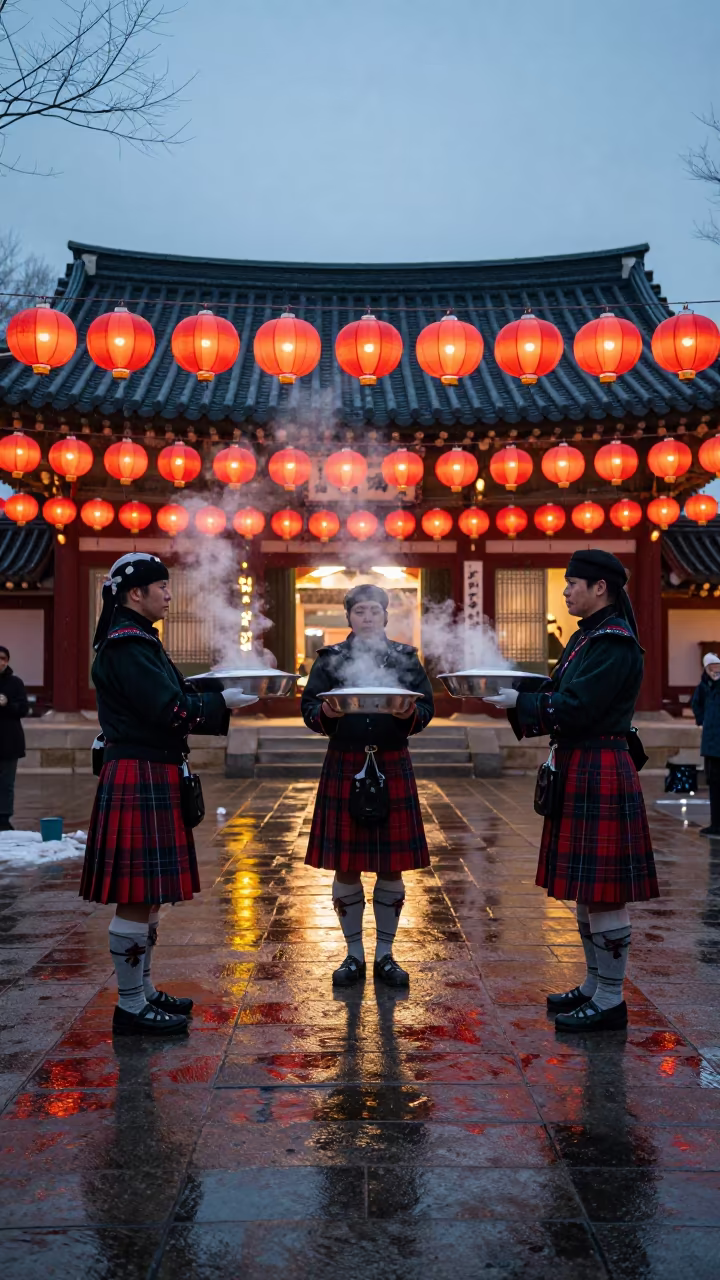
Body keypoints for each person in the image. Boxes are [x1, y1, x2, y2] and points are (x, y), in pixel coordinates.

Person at [484, 549, 658, 1033]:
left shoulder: (614, 642)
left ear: (600, 587)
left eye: (571, 583)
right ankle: (594, 984)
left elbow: (579, 707)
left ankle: (610, 1000)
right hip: (583, 764)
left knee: (605, 893)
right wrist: (520, 694)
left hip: (600, 763)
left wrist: (522, 701)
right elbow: (561, 691)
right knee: (588, 889)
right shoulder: (588, 637)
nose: (564, 591)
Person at [80, 553, 249, 1036]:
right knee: (136, 897)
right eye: (163, 587)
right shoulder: (128, 645)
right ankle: (131, 1005)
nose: (170, 595)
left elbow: (168, 695)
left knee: (148, 896)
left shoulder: (137, 639)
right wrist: (220, 702)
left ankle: (144, 990)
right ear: (137, 593)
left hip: (149, 770)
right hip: (140, 770)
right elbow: (170, 711)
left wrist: (214, 692)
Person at [302, 583, 434, 988]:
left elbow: (427, 707)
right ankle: (353, 954)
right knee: (346, 865)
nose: (368, 617)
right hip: (346, 760)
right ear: (349, 617)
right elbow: (308, 708)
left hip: (391, 760)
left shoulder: (406, 657)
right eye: (359, 611)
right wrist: (327, 712)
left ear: (386, 615)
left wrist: (409, 714)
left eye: (374, 610)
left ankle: (385, 955)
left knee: (392, 865)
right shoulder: (329, 659)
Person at [0, 646, 28, 830]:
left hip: (9, 740)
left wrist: (7, 704)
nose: (0, 662)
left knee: (6, 782)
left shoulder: (15, 683)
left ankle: (4, 818)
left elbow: (23, 709)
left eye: (3, 658)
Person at [692, 652, 720, 837]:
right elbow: (696, 705)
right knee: (714, 783)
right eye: (712, 667)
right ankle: (715, 824)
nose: (715, 671)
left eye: (717, 667)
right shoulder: (703, 687)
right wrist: (703, 721)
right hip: (711, 743)